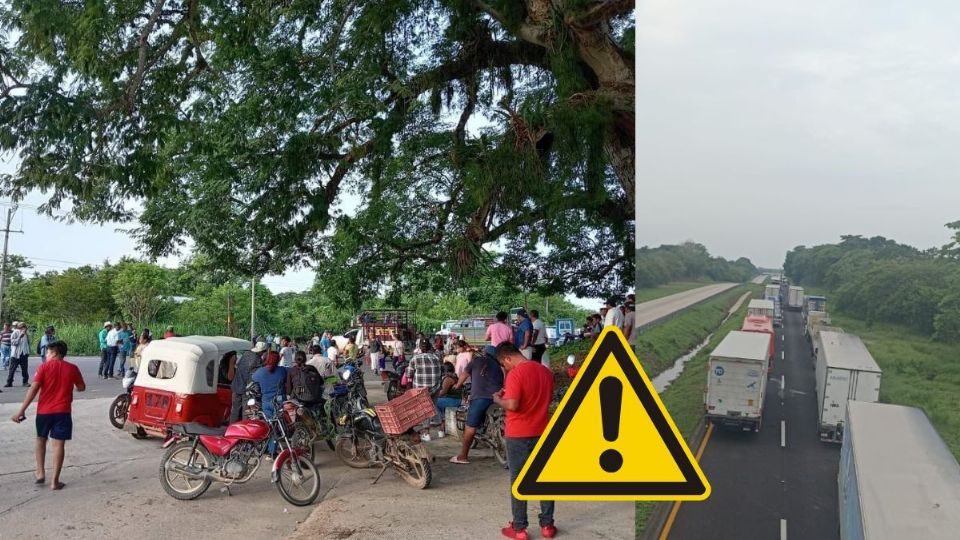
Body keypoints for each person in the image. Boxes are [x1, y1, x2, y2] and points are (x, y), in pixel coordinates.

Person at [494, 342, 556, 539]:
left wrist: (497, 399)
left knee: (519, 480)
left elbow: (512, 404)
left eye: (504, 365)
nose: (505, 368)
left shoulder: (516, 374)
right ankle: (547, 526)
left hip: (519, 434)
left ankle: (519, 528)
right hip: (543, 431)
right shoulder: (545, 372)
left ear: (507, 358)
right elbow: (541, 398)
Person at [11, 340, 85, 491]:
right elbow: (81, 388)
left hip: (44, 412)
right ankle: (55, 482)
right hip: (63, 412)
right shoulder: (72, 368)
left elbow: (33, 389)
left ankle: (40, 473)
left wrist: (21, 410)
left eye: (48, 352)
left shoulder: (43, 367)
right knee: (58, 445)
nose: (46, 355)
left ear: (55, 353)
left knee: (40, 440)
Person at [450, 345, 504, 465]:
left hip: (481, 398)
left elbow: (464, 375)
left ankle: (463, 456)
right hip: (498, 398)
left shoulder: (476, 361)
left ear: (484, 353)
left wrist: (457, 385)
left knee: (470, 427)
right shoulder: (499, 367)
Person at [406, 338, 444, 441]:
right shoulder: (436, 357)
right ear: (429, 348)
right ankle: (441, 429)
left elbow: (409, 374)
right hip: (435, 387)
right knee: (433, 406)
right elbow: (442, 371)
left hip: (421, 388)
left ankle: (426, 433)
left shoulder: (415, 359)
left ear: (420, 348)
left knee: (425, 409)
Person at [230, 341, 268, 422]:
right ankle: (244, 430)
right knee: (246, 411)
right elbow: (256, 376)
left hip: (237, 385)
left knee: (235, 410)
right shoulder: (258, 360)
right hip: (247, 388)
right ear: (262, 351)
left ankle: (231, 428)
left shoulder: (246, 354)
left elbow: (238, 366)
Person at [252, 352, 288, 426]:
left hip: (266, 402)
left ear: (267, 360)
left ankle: (272, 437)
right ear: (278, 360)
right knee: (281, 425)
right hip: (279, 401)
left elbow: (253, 378)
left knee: (270, 426)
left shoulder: (259, 372)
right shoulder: (283, 370)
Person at [5, 322, 30, 388]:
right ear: (20, 327)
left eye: (25, 327)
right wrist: (19, 337)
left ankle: (25, 382)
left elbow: (27, 344)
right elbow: (13, 343)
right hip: (16, 355)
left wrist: (27, 352)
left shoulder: (26, 334)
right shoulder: (15, 332)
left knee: (25, 369)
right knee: (12, 369)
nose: (25, 329)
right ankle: (9, 382)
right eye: (24, 327)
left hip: (24, 354)